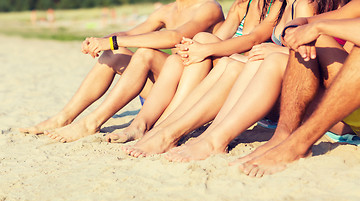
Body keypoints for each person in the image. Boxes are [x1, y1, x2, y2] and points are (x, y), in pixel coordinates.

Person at [123, 0, 335, 158]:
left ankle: (174, 134)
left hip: (296, 94)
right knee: (225, 61)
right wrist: (200, 48)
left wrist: (279, 48)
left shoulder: (304, 4)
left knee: (232, 64)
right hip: (273, 81)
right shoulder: (282, 4)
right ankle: (172, 130)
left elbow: (305, 51)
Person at [19, 0, 224, 142]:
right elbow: (129, 33)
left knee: (145, 54)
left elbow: (174, 37)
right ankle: (63, 118)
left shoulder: (208, 7)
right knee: (111, 55)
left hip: (193, 90)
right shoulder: (167, 11)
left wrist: (113, 41)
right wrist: (99, 42)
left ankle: (93, 122)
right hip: (166, 88)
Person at [107, 0, 285, 148]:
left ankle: (165, 126)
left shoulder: (275, 6)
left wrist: (204, 49)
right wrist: (191, 49)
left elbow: (252, 39)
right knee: (182, 55)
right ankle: (143, 124)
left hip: (257, 85)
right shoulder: (242, 5)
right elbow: (219, 40)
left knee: (204, 42)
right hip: (236, 72)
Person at [232, 0, 360, 177]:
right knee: (305, 37)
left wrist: (318, 27)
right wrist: (295, 30)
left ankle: (298, 145)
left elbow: (316, 24)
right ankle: (283, 136)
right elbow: (304, 21)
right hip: (350, 106)